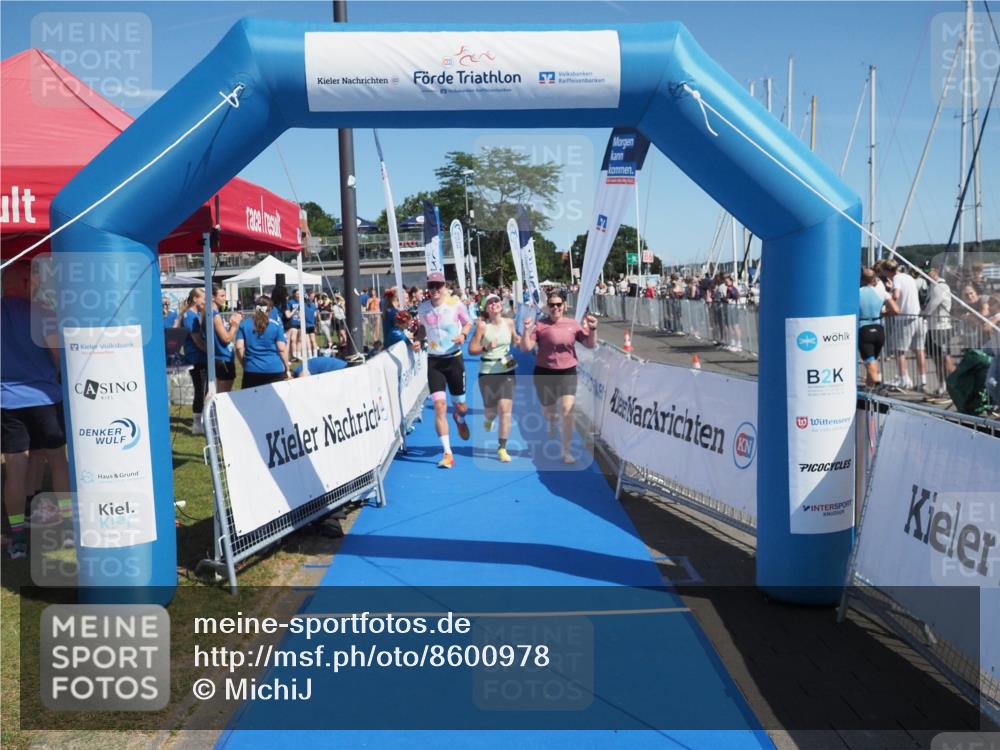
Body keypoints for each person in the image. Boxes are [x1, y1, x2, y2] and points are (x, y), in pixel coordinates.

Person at [1, 262, 70, 559]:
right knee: (58, 462)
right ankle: (68, 530)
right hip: (45, 397)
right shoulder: (41, 311)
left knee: (15, 467)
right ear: (27, 281)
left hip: (7, 401)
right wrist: (59, 376)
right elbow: (57, 354)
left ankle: (17, 537)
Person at [520, 291, 598, 464]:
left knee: (567, 412)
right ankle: (551, 421)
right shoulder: (540, 325)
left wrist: (592, 329)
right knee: (549, 412)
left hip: (567, 372)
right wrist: (526, 331)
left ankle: (566, 450)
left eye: (558, 305)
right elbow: (525, 348)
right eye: (552, 305)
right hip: (544, 372)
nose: (555, 308)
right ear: (547, 307)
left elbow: (590, 344)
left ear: (564, 306)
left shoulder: (573, 325)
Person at [414, 271, 472, 469]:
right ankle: (448, 453)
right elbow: (422, 329)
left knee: (461, 406)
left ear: (445, 286)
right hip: (434, 362)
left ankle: (459, 418)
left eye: (438, 285)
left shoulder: (455, 305)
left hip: (454, 360)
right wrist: (417, 340)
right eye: (431, 286)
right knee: (439, 406)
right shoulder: (423, 309)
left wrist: (463, 335)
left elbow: (467, 322)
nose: (435, 290)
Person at [468, 293, 521, 463]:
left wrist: (519, 338)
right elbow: (471, 349)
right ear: (486, 308)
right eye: (490, 303)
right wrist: (485, 347)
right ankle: (489, 419)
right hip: (488, 371)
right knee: (491, 411)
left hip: (507, 369)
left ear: (501, 304)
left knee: (505, 411)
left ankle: (502, 448)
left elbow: (514, 341)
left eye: (496, 301)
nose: (494, 304)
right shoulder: (483, 326)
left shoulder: (510, 322)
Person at [236, 296, 289, 388]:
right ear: (270, 309)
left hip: (252, 369)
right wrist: (287, 368)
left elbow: (239, 347)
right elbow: (281, 349)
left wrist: (244, 363)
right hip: (274, 369)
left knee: (251, 400)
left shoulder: (244, 324)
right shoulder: (276, 325)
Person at [858, 267, 898, 389]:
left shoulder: (857, 292)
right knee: (872, 362)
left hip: (864, 329)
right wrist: (881, 314)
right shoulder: (882, 292)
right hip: (879, 330)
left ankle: (877, 386)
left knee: (870, 364)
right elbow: (896, 310)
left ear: (861, 279)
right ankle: (869, 392)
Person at [922, 267, 955, 396]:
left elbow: (932, 305)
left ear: (936, 273)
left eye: (929, 271)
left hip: (940, 327)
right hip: (934, 327)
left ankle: (951, 385)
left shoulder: (939, 286)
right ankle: (942, 385)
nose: (927, 274)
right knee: (937, 359)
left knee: (944, 358)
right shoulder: (934, 286)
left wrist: (923, 314)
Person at [205, 285, 242, 394]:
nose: (224, 298)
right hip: (223, 358)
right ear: (212, 297)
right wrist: (235, 325)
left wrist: (231, 324)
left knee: (214, 393)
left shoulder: (213, 313)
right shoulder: (214, 315)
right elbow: (226, 339)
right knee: (224, 395)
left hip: (220, 357)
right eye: (222, 295)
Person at [180, 288, 208, 434]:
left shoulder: (196, 314)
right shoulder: (189, 316)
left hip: (201, 357)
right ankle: (197, 424)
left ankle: (202, 420)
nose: (205, 301)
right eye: (203, 298)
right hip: (196, 358)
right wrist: (210, 352)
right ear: (195, 299)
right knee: (200, 390)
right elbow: (196, 339)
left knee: (205, 390)